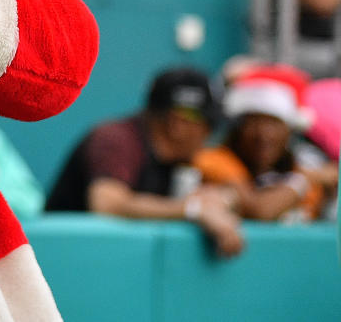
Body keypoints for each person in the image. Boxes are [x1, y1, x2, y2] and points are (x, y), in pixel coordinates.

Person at [46, 66, 245, 257]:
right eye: (209, 125)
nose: (209, 138)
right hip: (60, 266)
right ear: (179, 123)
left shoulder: (178, 159)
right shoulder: (116, 140)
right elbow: (107, 204)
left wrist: (221, 198)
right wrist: (194, 209)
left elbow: (230, 198)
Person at [195, 64, 331, 222]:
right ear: (238, 128)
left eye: (274, 123)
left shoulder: (296, 168)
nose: (263, 135)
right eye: (253, 123)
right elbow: (260, 211)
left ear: (289, 130)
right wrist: (302, 182)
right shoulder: (214, 160)